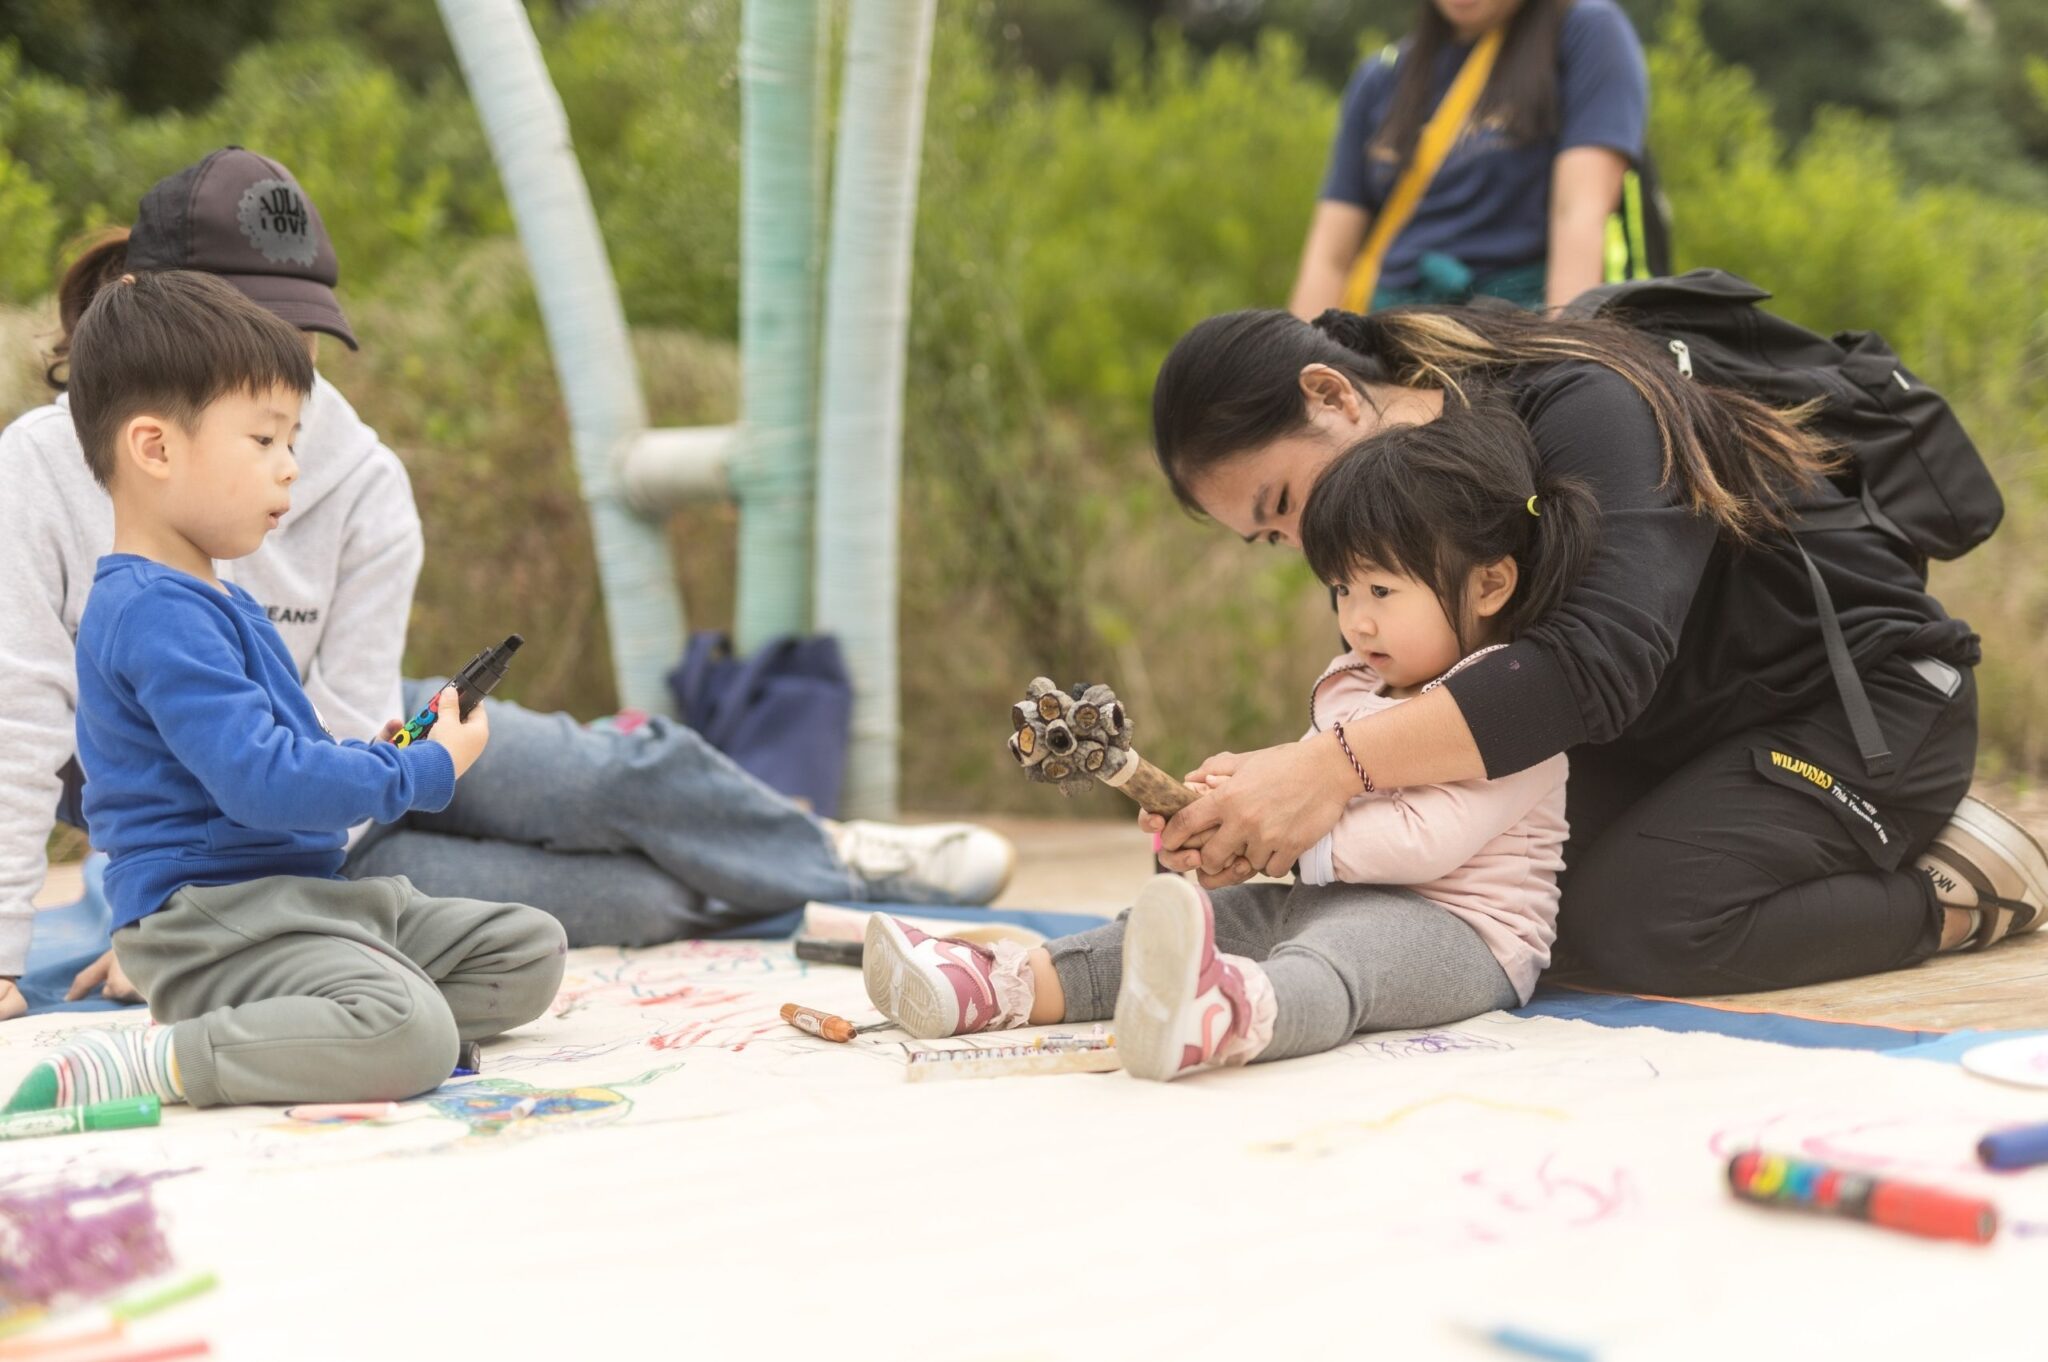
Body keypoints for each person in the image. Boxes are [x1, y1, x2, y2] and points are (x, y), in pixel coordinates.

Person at [0, 148, 1013, 1022]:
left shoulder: (359, 478)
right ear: (150, 315)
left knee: (610, 776)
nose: (289, 369)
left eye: (301, 335)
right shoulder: (43, 473)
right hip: (235, 839)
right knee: (630, 910)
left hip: (346, 762)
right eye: (255, 329)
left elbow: (348, 715)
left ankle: (831, 854)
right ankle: (778, 872)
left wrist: (413, 763)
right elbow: (21, 724)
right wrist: (196, 929)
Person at [1134, 304, 2048, 997]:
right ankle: (1751, 835)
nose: (1301, 545)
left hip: (1866, 707)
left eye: (1282, 502)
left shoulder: (1588, 403)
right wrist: (1251, 814)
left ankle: (1958, 893)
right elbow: (1412, 719)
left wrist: (1324, 773)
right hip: (1685, 736)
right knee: (1509, 913)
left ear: (1332, 397)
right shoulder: (1393, 523)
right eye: (1269, 541)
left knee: (1641, 927)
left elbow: (1594, 666)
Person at [857, 401, 1597, 1078]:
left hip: (1467, 938)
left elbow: (1421, 842)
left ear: (1490, 586)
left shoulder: (1513, 704)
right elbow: (1303, 779)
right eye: (1342, 590)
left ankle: (1228, 1012)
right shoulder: (1353, 684)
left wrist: (1273, 838)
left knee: (1337, 961)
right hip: (1332, 896)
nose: (1356, 620)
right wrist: (1221, 809)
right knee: (1217, 917)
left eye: (1381, 592)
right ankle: (1002, 986)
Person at [3, 271, 565, 1115]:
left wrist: (386, 750)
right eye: (264, 442)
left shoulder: (218, 597)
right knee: (412, 1034)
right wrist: (420, 771)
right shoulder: (152, 613)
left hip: (302, 903)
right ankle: (167, 1062)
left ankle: (329, 1030)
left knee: (529, 951)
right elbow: (266, 784)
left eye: (292, 441)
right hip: (210, 922)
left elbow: (289, 756)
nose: (291, 469)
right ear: (155, 449)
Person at [1288, 0, 1648, 317]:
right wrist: (1298, 375)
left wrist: (1566, 364)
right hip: (1382, 334)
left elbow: (1579, 214)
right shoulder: (1381, 77)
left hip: (1510, 339)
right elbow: (1329, 258)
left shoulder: (1585, 31)